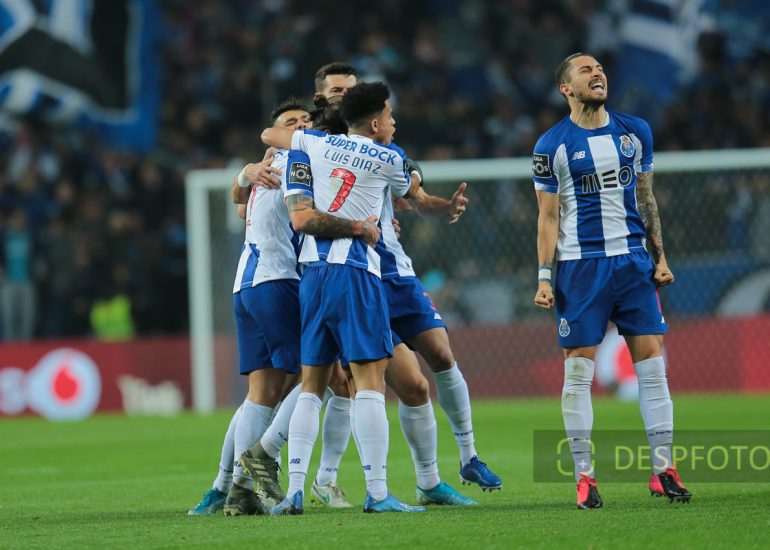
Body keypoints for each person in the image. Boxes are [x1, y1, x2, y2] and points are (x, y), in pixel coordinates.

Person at [315, 62, 503, 492]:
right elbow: (275, 143)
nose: (344, 94)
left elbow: (413, 196)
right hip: (353, 274)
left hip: (393, 271)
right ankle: (339, 479)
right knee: (401, 386)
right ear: (321, 96)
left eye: (350, 88)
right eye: (336, 89)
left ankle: (467, 457)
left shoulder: (386, 151)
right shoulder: (311, 141)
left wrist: (440, 204)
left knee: (440, 354)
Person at [188, 99, 379, 516]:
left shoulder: (269, 168)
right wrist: (364, 221)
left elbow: (239, 201)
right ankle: (257, 469)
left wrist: (243, 173)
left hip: (248, 286)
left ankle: (227, 489)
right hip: (279, 283)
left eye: (305, 120)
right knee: (322, 374)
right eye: (291, 123)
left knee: (263, 393)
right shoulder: (294, 159)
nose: (302, 126)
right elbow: (303, 217)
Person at [261, 82, 429, 514]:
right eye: (389, 117)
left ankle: (295, 489)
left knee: (312, 386)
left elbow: (275, 139)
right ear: (372, 123)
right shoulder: (385, 155)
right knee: (369, 384)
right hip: (356, 271)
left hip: (312, 274)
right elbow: (410, 195)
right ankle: (377, 493)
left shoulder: (309, 147)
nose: (394, 123)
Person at [532, 52, 692, 509]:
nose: (597, 73)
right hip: (580, 269)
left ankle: (664, 470)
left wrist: (660, 258)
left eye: (599, 68)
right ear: (566, 88)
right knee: (579, 372)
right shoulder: (551, 145)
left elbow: (646, 197)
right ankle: (585, 478)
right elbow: (547, 216)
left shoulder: (634, 131)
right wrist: (545, 277)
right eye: (585, 70)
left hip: (632, 264)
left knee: (653, 367)